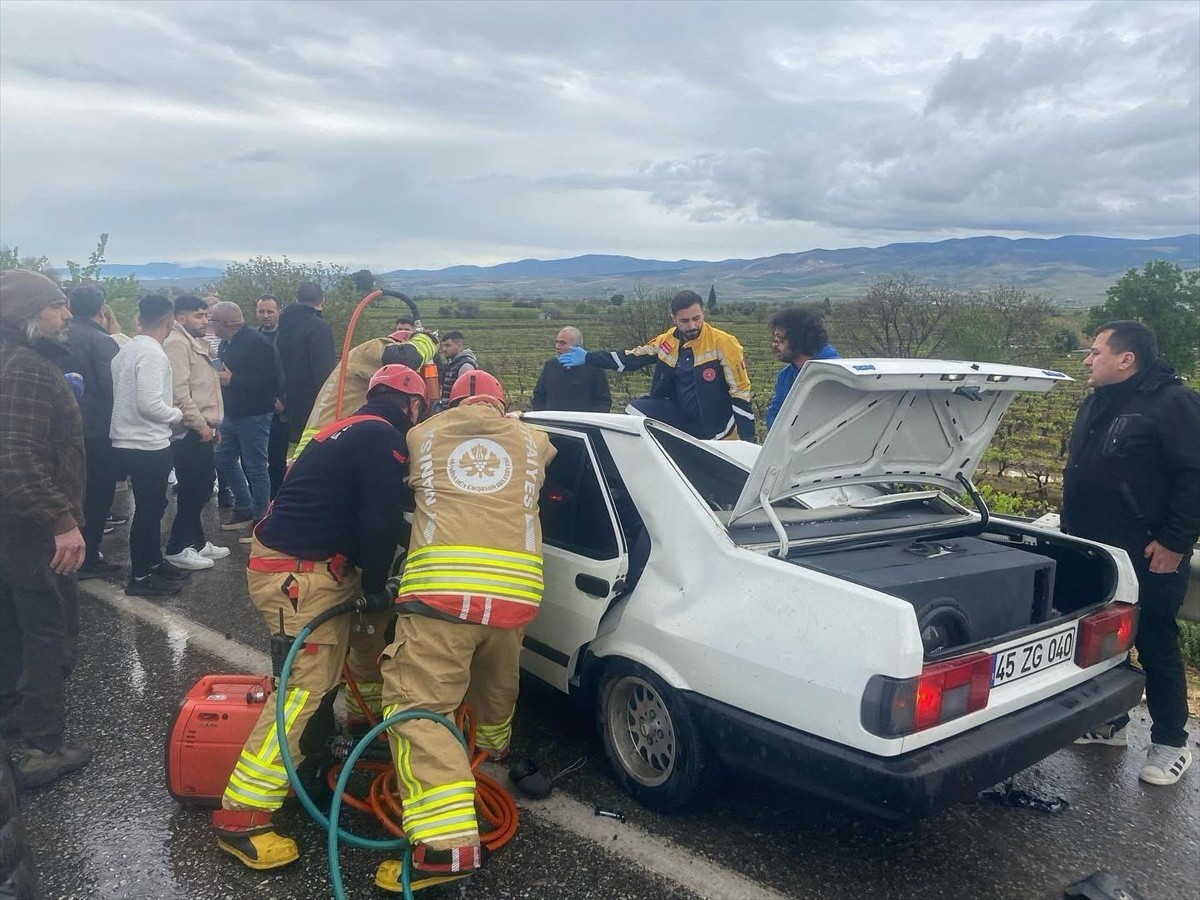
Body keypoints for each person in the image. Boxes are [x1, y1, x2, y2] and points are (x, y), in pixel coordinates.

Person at [213, 365, 429, 870]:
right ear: (412, 406)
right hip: (300, 578)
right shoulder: (381, 437)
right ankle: (242, 815)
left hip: (301, 567)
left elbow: (355, 509)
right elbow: (377, 518)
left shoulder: (349, 428)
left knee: (328, 675)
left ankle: (314, 759)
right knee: (301, 691)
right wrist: (377, 588)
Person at [374, 370, 555, 893]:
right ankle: (488, 752)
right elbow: (534, 450)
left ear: (448, 404)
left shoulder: (421, 434)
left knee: (420, 709)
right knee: (496, 682)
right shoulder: (533, 440)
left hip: (440, 596)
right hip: (513, 597)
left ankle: (443, 849)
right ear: (502, 405)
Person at [1065, 321, 1199, 787]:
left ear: (1127, 359)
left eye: (1095, 351)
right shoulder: (1099, 401)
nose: (1087, 359)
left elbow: (1194, 475)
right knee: (1108, 641)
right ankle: (1113, 724)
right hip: (1095, 553)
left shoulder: (1172, 403)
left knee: (1155, 641)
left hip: (1148, 553)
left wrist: (1176, 542)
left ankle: (1170, 744)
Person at [0, 270, 93, 788]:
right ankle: (41, 747)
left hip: (10, 521)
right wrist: (62, 522)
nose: (65, 315)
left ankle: (13, 712)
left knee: (11, 622)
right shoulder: (27, 368)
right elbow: (14, 456)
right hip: (32, 526)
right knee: (48, 629)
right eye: (56, 306)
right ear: (25, 315)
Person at [559, 289, 755, 441]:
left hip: (717, 426)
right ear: (674, 318)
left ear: (703, 312)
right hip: (680, 416)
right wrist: (589, 358)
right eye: (684, 321)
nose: (692, 325)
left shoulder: (724, 343)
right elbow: (631, 359)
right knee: (635, 410)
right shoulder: (667, 341)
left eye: (696, 318)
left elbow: (740, 393)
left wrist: (747, 441)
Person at [109, 294, 192, 597]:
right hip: (147, 443)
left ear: (139, 318)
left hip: (127, 440)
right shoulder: (153, 354)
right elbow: (149, 405)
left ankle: (154, 562)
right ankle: (141, 577)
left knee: (153, 507)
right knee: (148, 510)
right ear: (170, 321)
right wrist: (178, 414)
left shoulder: (125, 351)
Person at [293, 328, 438, 458]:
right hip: (329, 443)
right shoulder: (373, 349)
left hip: (319, 445)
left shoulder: (358, 369)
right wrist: (426, 341)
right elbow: (404, 358)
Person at [162, 295, 229, 570]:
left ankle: (197, 541)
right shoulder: (176, 344)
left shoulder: (197, 343)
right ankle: (177, 547)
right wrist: (201, 425)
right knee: (195, 488)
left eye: (206, 315)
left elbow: (216, 380)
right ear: (180, 318)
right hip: (189, 430)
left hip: (205, 426)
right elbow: (180, 393)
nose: (205, 321)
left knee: (202, 483)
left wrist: (212, 425)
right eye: (198, 316)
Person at [59, 284, 121, 578]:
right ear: (101, 309)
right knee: (97, 494)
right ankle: (88, 557)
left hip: (62, 426)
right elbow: (112, 388)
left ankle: (66, 551)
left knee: (71, 491)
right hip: (97, 429)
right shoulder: (102, 341)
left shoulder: (57, 335)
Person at [210, 301, 278, 539]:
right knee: (223, 458)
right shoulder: (227, 343)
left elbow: (270, 382)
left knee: (256, 466)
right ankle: (244, 506)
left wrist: (234, 380)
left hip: (254, 415)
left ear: (224, 323)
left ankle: (261, 519)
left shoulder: (257, 344)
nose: (210, 325)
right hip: (231, 413)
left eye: (212, 321)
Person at [276, 282, 335, 444]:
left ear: (297, 298)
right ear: (322, 300)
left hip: (284, 400)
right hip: (311, 403)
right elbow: (323, 370)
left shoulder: (282, 323)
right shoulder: (319, 327)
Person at [765, 307, 839, 430]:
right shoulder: (785, 376)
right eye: (774, 339)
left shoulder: (834, 374)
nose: (774, 345)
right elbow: (774, 413)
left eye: (780, 340)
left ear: (798, 339)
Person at [531, 326, 612, 413]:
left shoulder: (594, 368)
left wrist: (590, 421)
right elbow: (539, 396)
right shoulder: (550, 366)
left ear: (577, 347)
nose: (557, 346)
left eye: (562, 343)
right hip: (551, 423)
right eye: (557, 342)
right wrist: (542, 418)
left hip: (581, 424)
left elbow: (603, 402)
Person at [255, 294, 289, 498]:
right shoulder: (251, 338)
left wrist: (284, 401)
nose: (265, 316)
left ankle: (275, 499)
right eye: (261, 311)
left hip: (281, 409)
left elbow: (294, 372)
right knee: (256, 458)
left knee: (277, 457)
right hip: (257, 407)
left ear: (279, 312)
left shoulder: (287, 339)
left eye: (270, 311)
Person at [436, 330, 477, 411]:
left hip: (456, 414)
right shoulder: (452, 364)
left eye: (448, 345)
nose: (444, 349)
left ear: (459, 345)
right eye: (443, 346)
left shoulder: (466, 366)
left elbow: (467, 396)